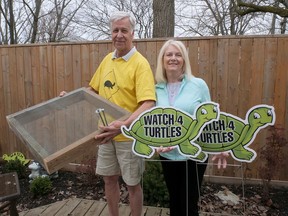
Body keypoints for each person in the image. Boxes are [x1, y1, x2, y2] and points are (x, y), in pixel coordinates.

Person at [89, 11, 156, 216]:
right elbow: (92, 91)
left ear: (132, 34)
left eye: (124, 30)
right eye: (115, 30)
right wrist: (70, 97)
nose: (119, 35)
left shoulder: (140, 63)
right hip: (106, 134)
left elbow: (148, 103)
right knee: (109, 179)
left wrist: (124, 123)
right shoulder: (107, 60)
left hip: (129, 137)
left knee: (132, 184)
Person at [155, 39, 228, 216]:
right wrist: (154, 144)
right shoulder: (156, 89)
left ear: (184, 60)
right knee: (174, 200)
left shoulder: (198, 85)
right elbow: (155, 124)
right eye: (169, 54)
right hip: (167, 155)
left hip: (194, 155)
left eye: (178, 54)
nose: (173, 58)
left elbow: (211, 118)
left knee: (189, 204)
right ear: (162, 60)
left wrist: (220, 146)